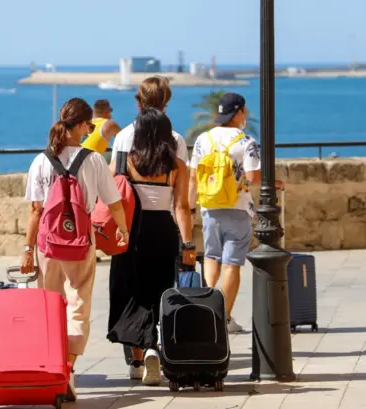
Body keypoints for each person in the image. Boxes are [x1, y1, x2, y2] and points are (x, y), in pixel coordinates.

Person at [20, 97, 129, 402]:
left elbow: (35, 211)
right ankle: (67, 368)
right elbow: (114, 202)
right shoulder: (93, 160)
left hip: (47, 244)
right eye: (88, 126)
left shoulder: (41, 161)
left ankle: (53, 367)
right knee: (78, 303)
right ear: (82, 125)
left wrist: (28, 249)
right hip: (81, 242)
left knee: (49, 305)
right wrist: (123, 230)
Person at [107, 108, 196, 386]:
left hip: (132, 230)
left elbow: (110, 195)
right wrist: (188, 243)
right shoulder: (176, 165)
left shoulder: (126, 161)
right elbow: (181, 207)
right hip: (163, 230)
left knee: (130, 291)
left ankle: (137, 359)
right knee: (159, 291)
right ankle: (152, 348)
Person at [188, 92, 283, 333]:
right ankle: (224, 319)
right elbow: (252, 177)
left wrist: (190, 207)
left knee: (211, 257)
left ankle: (206, 312)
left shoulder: (203, 140)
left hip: (209, 206)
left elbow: (193, 176)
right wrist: (275, 182)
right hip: (238, 207)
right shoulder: (245, 141)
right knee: (232, 264)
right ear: (239, 112)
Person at [110, 76, 189, 169]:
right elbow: (182, 177)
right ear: (165, 103)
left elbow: (116, 175)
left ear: (139, 104)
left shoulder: (123, 136)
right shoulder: (176, 139)